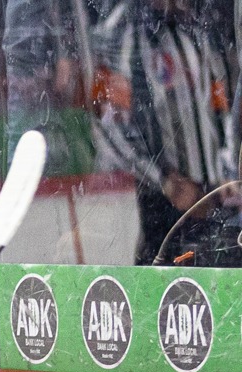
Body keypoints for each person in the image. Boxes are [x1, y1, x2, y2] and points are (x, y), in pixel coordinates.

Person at [91, 0, 241, 265]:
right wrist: (165, 180)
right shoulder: (121, 30)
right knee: (158, 290)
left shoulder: (199, 23)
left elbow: (222, 103)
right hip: (160, 208)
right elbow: (109, 126)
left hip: (214, 204)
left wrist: (227, 173)